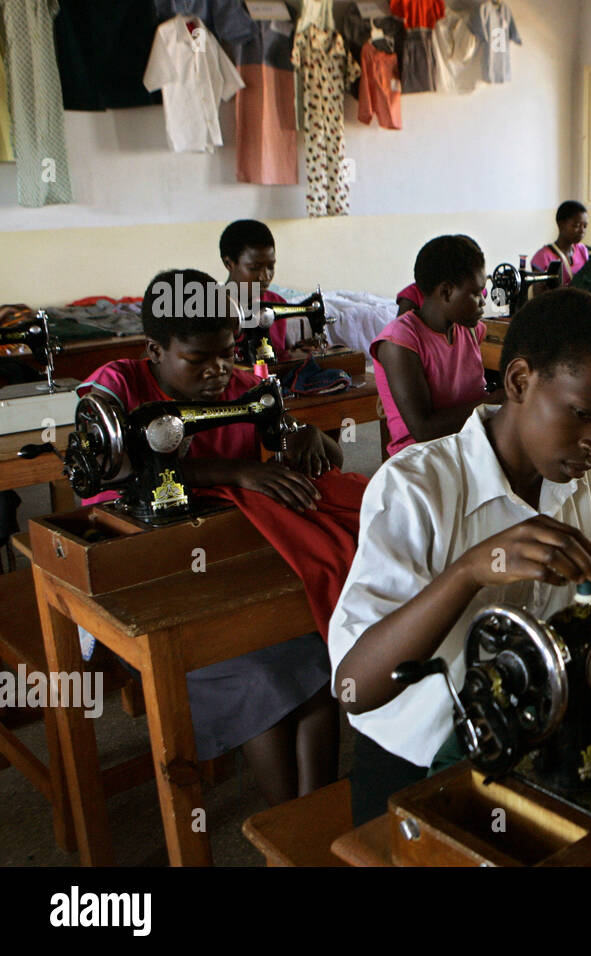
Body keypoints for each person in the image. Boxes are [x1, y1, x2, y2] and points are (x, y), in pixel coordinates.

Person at [332, 289, 591, 825]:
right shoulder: (415, 488)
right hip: (420, 759)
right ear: (518, 382)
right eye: (582, 414)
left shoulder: (587, 481)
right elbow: (354, 687)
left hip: (534, 737)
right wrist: (470, 571)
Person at [78, 268, 341, 806]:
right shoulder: (116, 388)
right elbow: (117, 472)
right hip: (146, 590)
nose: (219, 370)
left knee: (319, 672)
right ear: (154, 348)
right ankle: (290, 828)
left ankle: (312, 833)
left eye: (228, 352)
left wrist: (307, 436)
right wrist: (233, 472)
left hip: (231, 576)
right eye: (199, 360)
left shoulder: (244, 388)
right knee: (266, 689)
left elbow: (293, 441)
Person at [371, 235, 499, 457]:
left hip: (466, 442)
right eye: (476, 293)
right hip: (421, 459)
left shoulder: (469, 330)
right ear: (446, 292)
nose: (482, 302)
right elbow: (424, 430)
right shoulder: (400, 341)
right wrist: (495, 401)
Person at [219, 219, 295, 359]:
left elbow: (284, 351)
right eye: (254, 268)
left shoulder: (276, 302)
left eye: (271, 266)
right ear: (229, 264)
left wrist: (298, 351)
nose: (266, 276)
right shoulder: (214, 308)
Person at [530, 200, 590, 285]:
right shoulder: (543, 256)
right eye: (576, 226)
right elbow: (539, 295)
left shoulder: (582, 250)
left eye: (585, 226)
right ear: (561, 224)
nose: (582, 231)